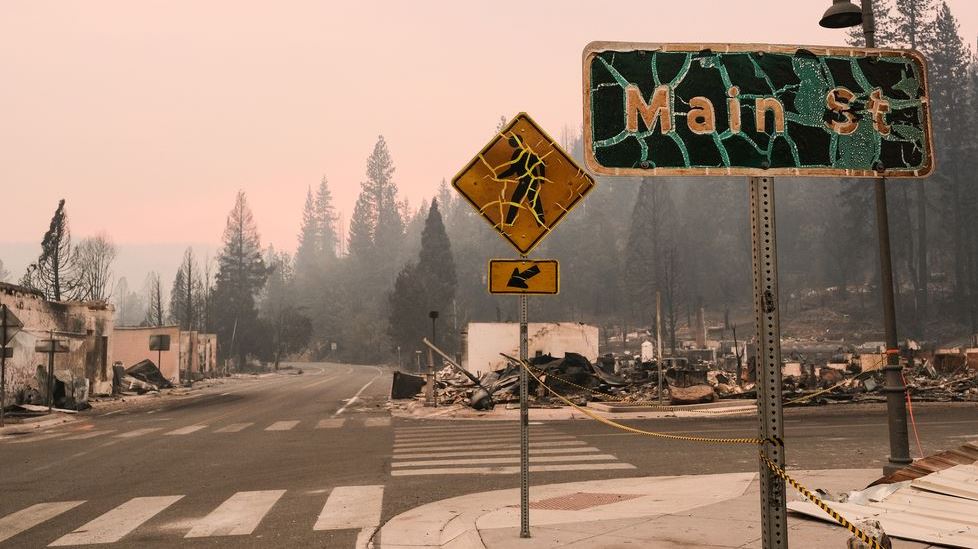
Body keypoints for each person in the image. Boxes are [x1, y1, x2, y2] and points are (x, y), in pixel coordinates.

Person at [496, 135, 546, 227]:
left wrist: (499, 176)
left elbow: (512, 170)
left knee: (516, 199)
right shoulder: (525, 152)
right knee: (533, 199)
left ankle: (509, 222)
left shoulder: (520, 153)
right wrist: (541, 178)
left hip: (526, 180)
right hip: (530, 180)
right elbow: (541, 162)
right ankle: (541, 222)